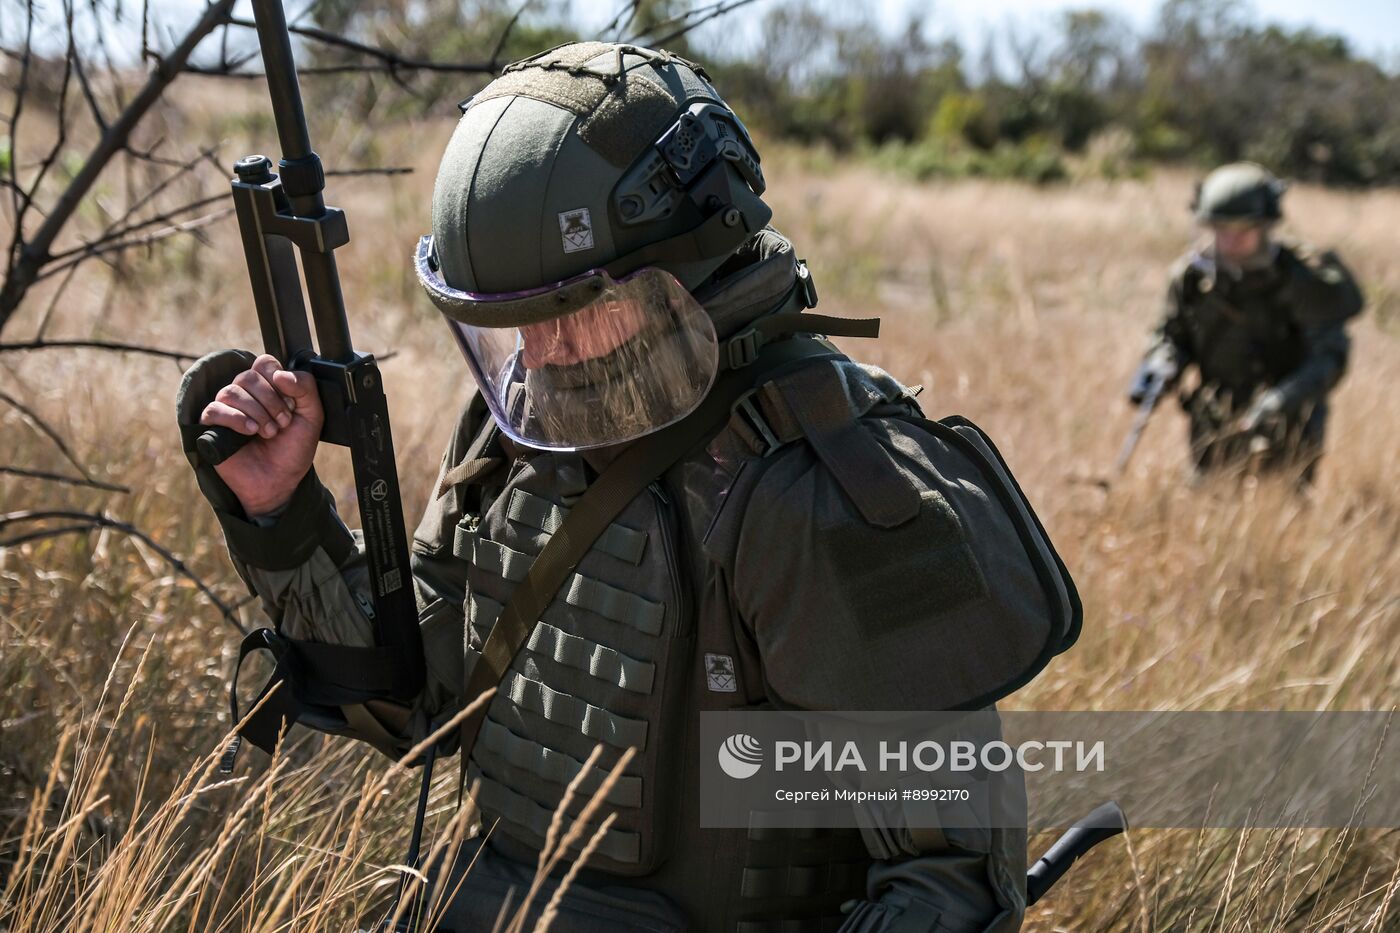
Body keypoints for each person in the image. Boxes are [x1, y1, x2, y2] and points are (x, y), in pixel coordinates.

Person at [178, 42, 1080, 932]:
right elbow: (418, 703)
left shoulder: (819, 492)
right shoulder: (515, 430)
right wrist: (280, 514)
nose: (536, 359)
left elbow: (948, 888)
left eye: (564, 317)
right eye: (509, 330)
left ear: (677, 277)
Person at [1128, 162, 1364, 485]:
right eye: (1220, 228)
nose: (1230, 239)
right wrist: (1161, 364)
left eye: (1242, 228)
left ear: (1265, 227)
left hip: (1291, 424)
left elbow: (1329, 358)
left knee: (1285, 512)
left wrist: (1280, 401)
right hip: (1214, 422)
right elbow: (1171, 335)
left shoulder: (1303, 277)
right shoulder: (1192, 279)